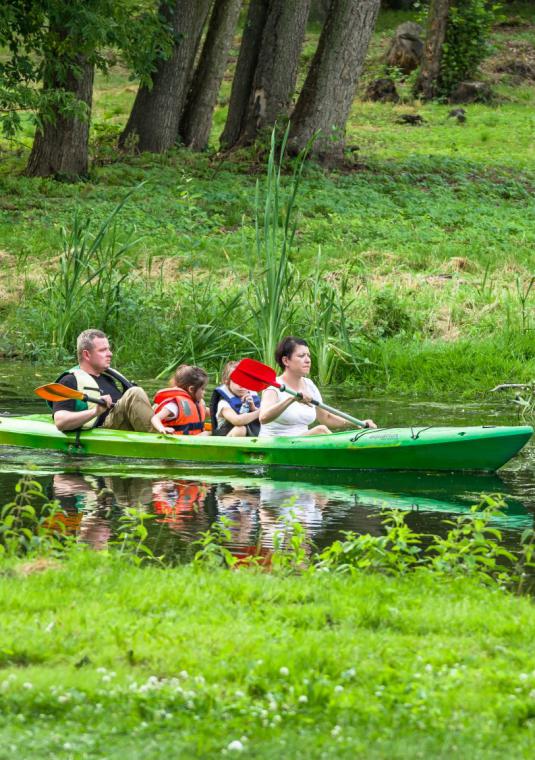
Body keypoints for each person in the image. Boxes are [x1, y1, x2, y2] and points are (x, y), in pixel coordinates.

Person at [53, 329, 169, 434]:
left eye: (109, 349)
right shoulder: (69, 380)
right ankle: (160, 438)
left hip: (121, 423)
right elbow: (60, 421)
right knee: (134, 392)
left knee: (170, 400)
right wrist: (94, 412)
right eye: (103, 350)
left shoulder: (108, 378)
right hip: (103, 428)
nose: (110, 354)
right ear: (87, 355)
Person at [259, 336, 377, 437]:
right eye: (301, 356)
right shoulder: (273, 387)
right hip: (275, 443)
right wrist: (292, 399)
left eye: (308, 356)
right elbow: (263, 418)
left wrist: (357, 423)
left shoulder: (309, 384)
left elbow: (326, 417)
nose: (308, 360)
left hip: (302, 442)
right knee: (320, 430)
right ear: (286, 361)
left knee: (321, 429)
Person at [152, 365, 209, 435]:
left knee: (208, 433)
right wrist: (162, 428)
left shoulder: (198, 403)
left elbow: (211, 412)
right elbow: (155, 418)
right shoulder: (174, 405)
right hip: (179, 440)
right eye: (202, 389)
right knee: (207, 433)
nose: (205, 392)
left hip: (194, 438)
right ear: (191, 389)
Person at [209, 360, 261, 437]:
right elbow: (237, 420)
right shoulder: (223, 403)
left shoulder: (252, 398)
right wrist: (261, 411)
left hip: (249, 441)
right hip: (225, 442)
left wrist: (253, 408)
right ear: (227, 382)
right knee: (240, 429)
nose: (242, 385)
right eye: (237, 381)